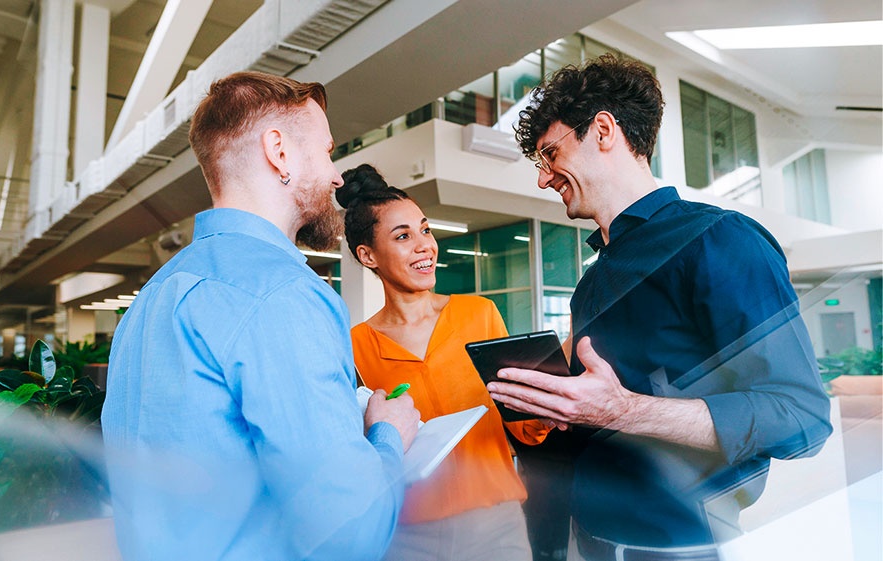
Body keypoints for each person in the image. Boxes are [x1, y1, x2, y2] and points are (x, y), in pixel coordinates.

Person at [485, 54, 832, 560]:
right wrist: (559, 410)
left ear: (603, 130)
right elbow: (602, 405)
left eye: (549, 156)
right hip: (587, 536)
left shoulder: (719, 239)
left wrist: (625, 411)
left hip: (678, 546)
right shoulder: (593, 280)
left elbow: (802, 417)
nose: (544, 178)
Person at [101, 72, 421, 561]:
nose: (337, 176)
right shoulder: (284, 294)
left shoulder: (151, 298)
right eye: (327, 151)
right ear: (279, 152)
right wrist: (387, 435)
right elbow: (350, 533)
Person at [337, 163, 553, 561]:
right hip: (405, 536)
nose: (425, 245)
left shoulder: (479, 315)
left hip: (496, 524)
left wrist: (547, 410)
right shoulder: (353, 348)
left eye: (425, 229)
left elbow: (521, 426)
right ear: (368, 256)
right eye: (403, 236)